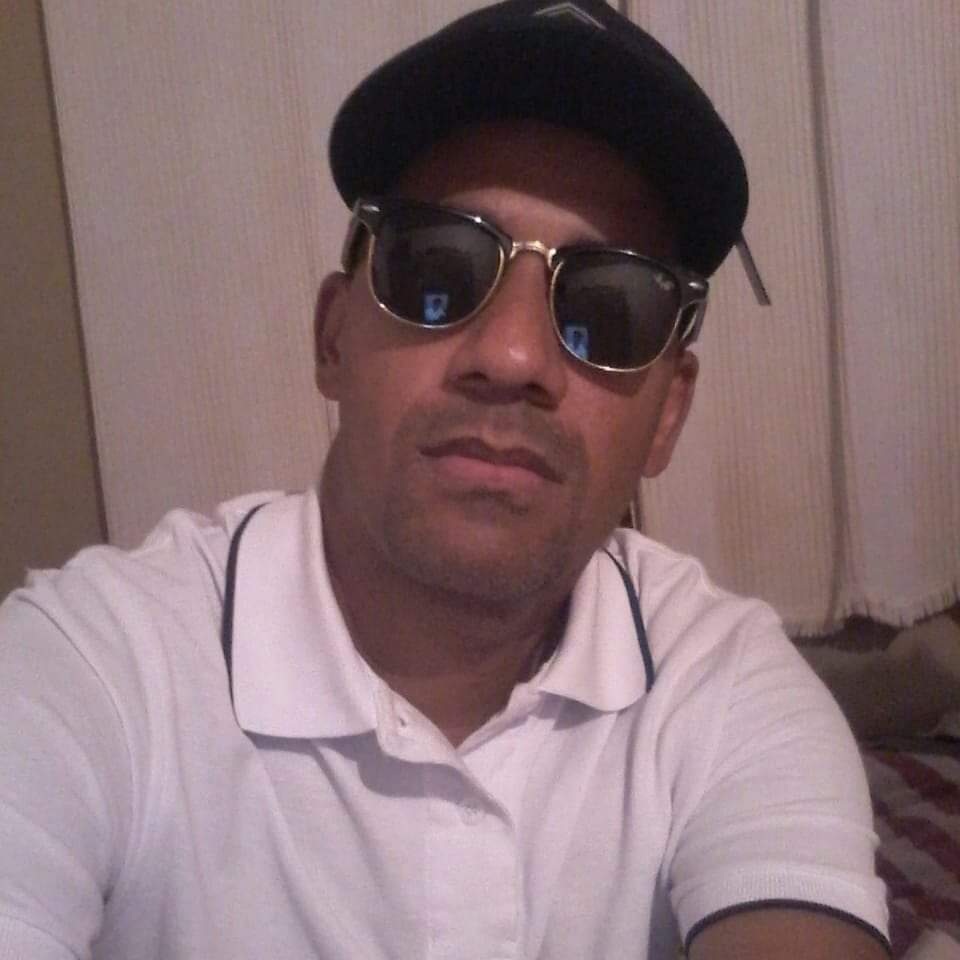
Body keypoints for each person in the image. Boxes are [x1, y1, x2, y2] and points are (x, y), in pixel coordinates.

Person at [0, 2, 889, 958]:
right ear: (333, 338)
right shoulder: (94, 668)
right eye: (438, 270)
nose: (512, 357)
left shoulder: (724, 685)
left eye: (610, 307)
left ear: (667, 415)